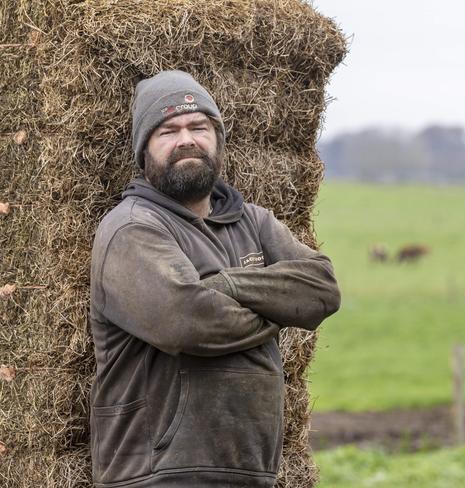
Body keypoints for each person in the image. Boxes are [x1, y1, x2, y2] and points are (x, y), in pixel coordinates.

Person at [88, 70, 341, 487]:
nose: (186, 139)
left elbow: (322, 290)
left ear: (217, 141)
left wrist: (226, 286)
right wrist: (277, 310)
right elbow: (187, 320)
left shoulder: (253, 222)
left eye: (198, 127)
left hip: (248, 470)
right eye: (167, 131)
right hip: (157, 474)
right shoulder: (132, 228)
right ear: (144, 151)